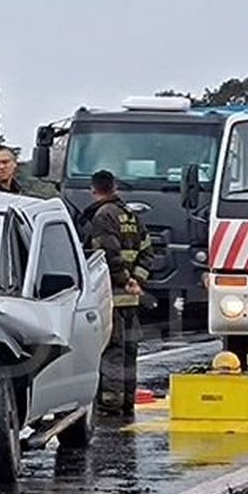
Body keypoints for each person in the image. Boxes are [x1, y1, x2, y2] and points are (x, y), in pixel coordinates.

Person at [87, 170, 154, 417]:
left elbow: (108, 255)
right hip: (131, 298)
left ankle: (110, 403)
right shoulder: (132, 215)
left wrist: (125, 280)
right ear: (114, 187)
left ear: (93, 190)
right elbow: (148, 253)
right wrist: (137, 280)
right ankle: (127, 401)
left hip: (112, 296)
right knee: (129, 350)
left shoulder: (103, 216)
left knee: (112, 351)